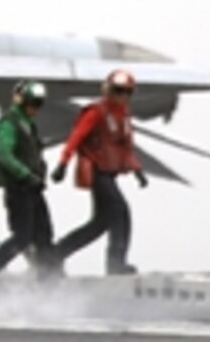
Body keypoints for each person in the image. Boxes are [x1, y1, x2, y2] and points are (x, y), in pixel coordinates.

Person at [50, 69, 148, 275]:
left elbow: (126, 147)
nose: (122, 96)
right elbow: (76, 138)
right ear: (109, 90)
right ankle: (116, 264)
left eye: (127, 92)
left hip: (109, 173)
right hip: (97, 171)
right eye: (118, 91)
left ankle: (57, 253)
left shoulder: (123, 116)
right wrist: (63, 164)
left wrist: (137, 170)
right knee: (121, 212)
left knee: (100, 223)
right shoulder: (96, 112)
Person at [0, 81, 54, 296]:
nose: (35, 107)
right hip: (19, 190)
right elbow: (3, 154)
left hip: (33, 189)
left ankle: (49, 279)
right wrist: (26, 175)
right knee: (22, 237)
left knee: (44, 235)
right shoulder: (9, 125)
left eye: (38, 104)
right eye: (33, 103)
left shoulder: (27, 125)